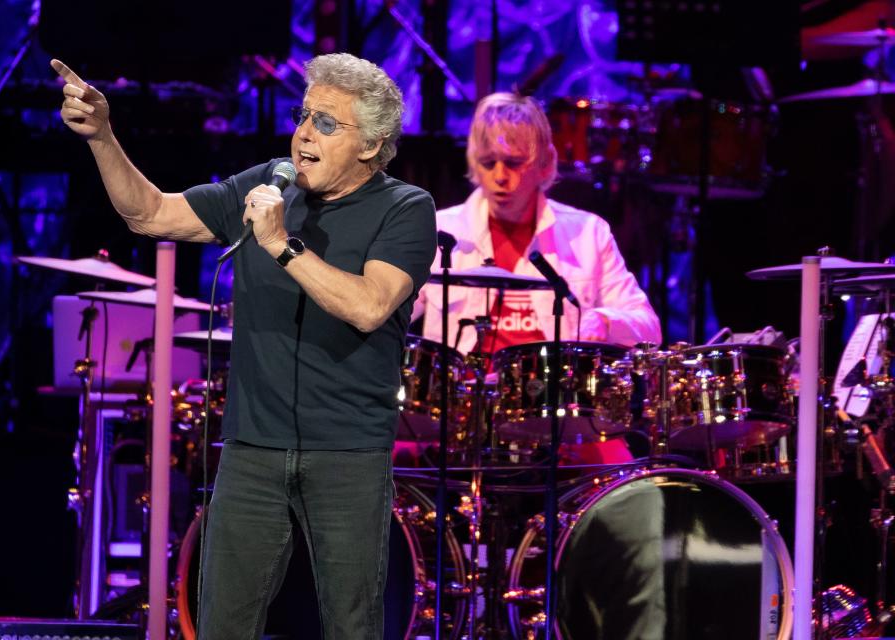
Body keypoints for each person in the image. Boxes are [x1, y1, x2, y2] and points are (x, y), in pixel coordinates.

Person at [52, 53, 437, 639]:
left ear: (371, 144)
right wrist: (102, 136)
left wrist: (282, 244)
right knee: (222, 624)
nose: (304, 132)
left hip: (348, 454)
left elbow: (369, 305)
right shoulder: (268, 185)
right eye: (303, 115)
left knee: (351, 626)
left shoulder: (406, 208)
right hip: (252, 449)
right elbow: (150, 214)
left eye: (326, 123)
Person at [417, 91, 661, 352]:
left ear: (544, 164)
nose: (499, 176)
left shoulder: (589, 233)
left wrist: (606, 322)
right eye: (489, 163)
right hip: (461, 391)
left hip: (553, 391)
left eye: (514, 163)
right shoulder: (437, 231)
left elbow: (650, 329)